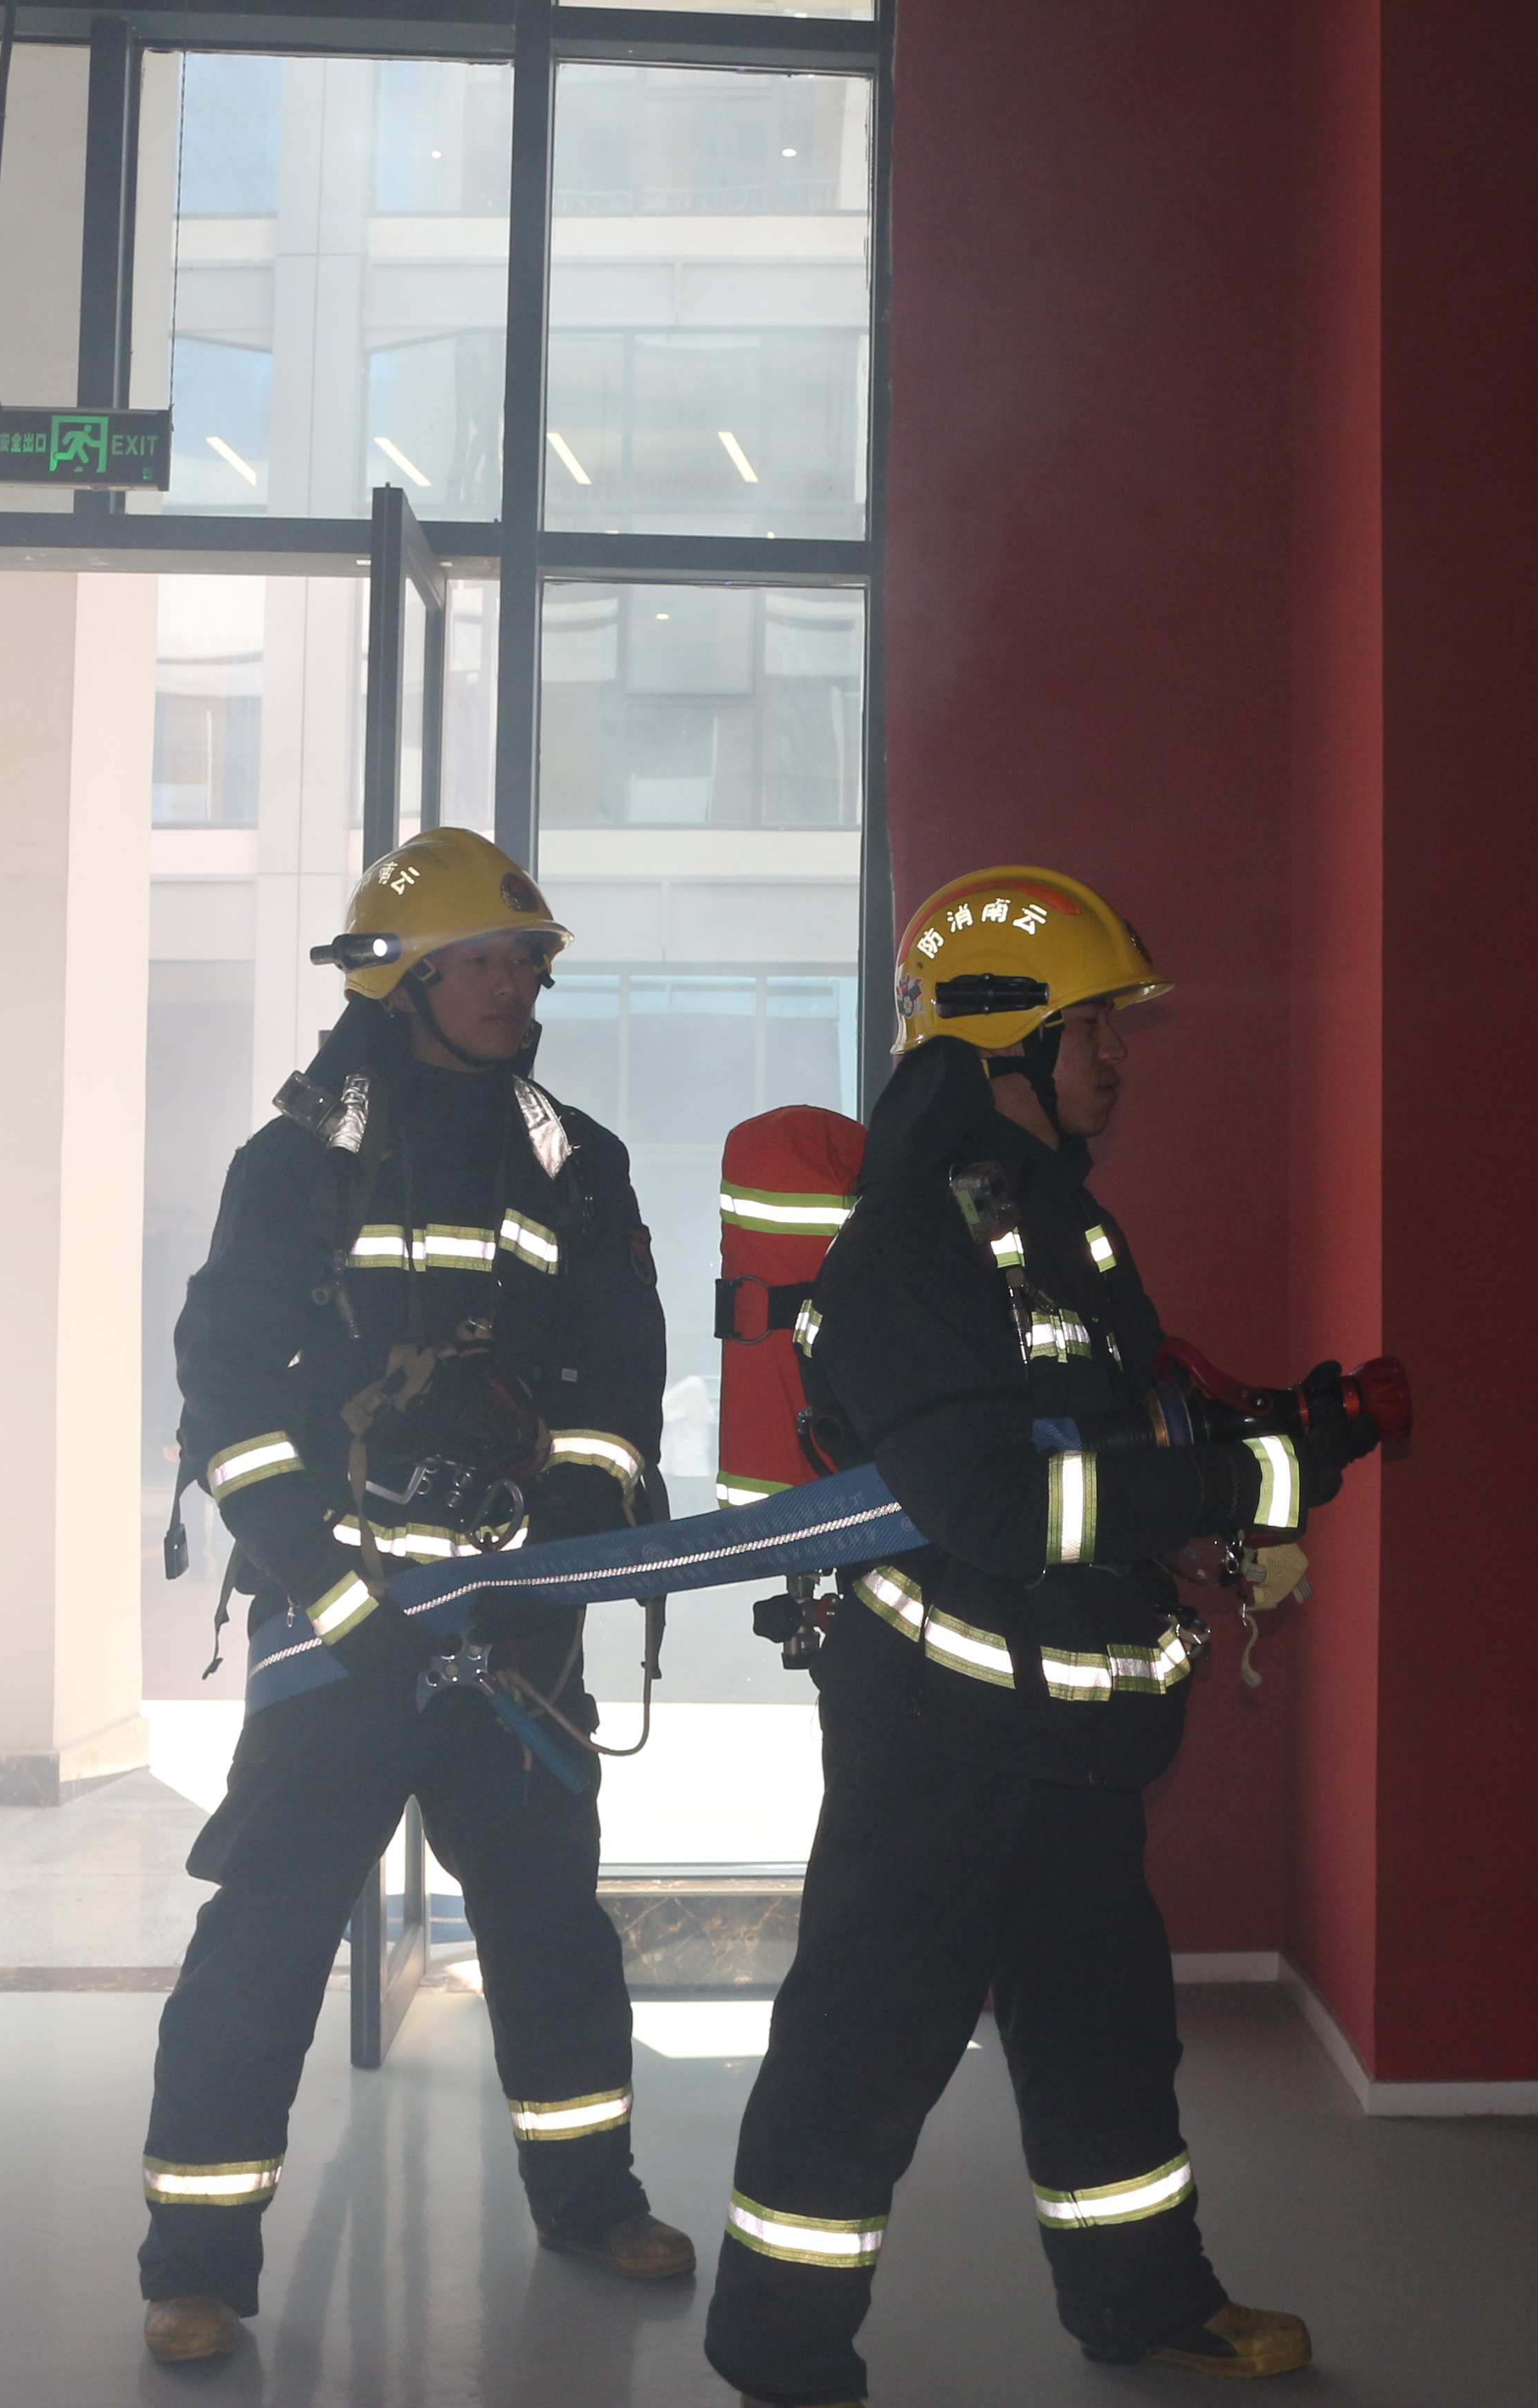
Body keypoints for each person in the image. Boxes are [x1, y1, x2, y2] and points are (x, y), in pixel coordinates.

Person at [704, 866, 1381, 2407]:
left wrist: (1208, 1490)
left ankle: (1145, 2300)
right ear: (999, 1040)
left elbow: (1097, 1447)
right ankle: (781, 2353)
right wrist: (1242, 1482)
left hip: (1071, 1731)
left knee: (1104, 2037)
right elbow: (998, 1508)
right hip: (940, 1736)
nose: (1119, 1058)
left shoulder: (1055, 1222)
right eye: (1095, 1029)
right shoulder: (909, 1245)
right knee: (869, 2046)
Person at [137, 828, 690, 2363]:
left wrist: (558, 1534)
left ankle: (591, 2203)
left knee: (551, 1930)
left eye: (527, 962)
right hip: (341, 1624)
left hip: (515, 1626)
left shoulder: (577, 1162)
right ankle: (196, 2265)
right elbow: (228, 1396)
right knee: (265, 1939)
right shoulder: (295, 1163)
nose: (515, 986)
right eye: (482, 962)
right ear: (403, 981)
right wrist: (327, 1584)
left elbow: (621, 1387)